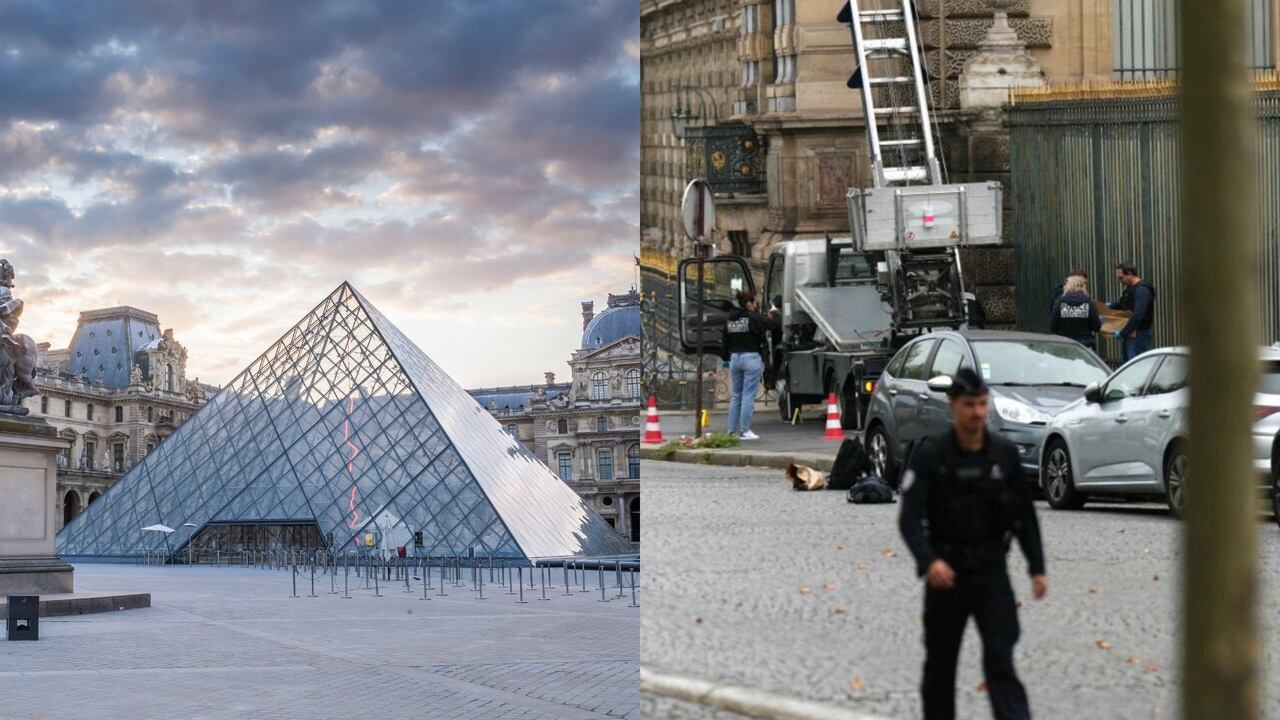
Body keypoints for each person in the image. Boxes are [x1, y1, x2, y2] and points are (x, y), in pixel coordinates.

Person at [899, 368, 1048, 720]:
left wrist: (1037, 568)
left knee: (1000, 658)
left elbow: (1024, 516)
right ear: (953, 406)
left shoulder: (1004, 454)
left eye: (982, 404)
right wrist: (929, 561)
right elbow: (909, 518)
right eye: (969, 405)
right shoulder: (931, 455)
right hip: (946, 574)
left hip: (991, 573)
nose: (978, 412)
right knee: (940, 664)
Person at [721, 289, 777, 440]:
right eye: (755, 302)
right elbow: (771, 326)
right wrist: (773, 316)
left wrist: (725, 356)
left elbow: (725, 340)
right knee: (748, 396)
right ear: (749, 304)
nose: (756, 304)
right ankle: (745, 431)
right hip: (751, 357)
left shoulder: (730, 319)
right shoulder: (753, 318)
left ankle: (731, 431)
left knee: (736, 395)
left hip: (735, 359)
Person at [1108, 263, 1155, 361]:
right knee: (1129, 365)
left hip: (1138, 334)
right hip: (1131, 334)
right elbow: (1123, 304)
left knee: (1136, 365)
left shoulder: (1142, 290)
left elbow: (1138, 314)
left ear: (1129, 274)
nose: (1120, 281)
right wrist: (1108, 306)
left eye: (1121, 278)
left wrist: (1123, 332)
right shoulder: (1131, 289)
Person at [1049, 274, 1102, 350]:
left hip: (1064, 345)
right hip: (1084, 346)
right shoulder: (1088, 302)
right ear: (1082, 286)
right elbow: (1097, 326)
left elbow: (1053, 326)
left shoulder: (1060, 302)